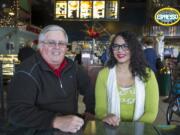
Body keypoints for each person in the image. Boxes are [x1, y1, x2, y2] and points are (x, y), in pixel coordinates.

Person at [7, 25, 94, 133]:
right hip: (36, 131)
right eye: (51, 42)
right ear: (41, 45)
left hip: (68, 130)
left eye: (61, 43)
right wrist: (56, 121)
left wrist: (91, 112)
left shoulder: (73, 67)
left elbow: (89, 88)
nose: (57, 47)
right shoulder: (26, 72)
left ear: (66, 47)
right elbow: (16, 112)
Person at [95, 31, 159, 126]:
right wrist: (107, 116)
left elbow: (151, 112)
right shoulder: (103, 75)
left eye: (125, 46)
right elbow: (100, 110)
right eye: (116, 46)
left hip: (139, 130)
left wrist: (133, 130)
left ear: (134, 48)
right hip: (111, 128)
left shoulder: (148, 75)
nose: (120, 50)